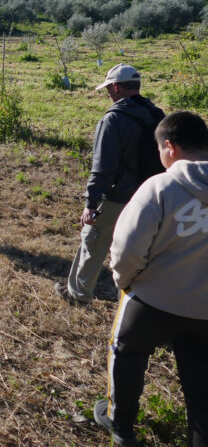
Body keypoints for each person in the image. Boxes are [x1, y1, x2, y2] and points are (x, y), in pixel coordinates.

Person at [91, 111, 208, 447]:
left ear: (169, 146)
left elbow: (127, 249)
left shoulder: (160, 186)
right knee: (202, 387)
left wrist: (126, 282)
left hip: (153, 300)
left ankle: (121, 426)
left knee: (126, 353)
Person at [55, 64, 165, 304]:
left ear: (116, 87)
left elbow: (102, 167)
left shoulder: (113, 119)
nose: (107, 93)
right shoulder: (158, 114)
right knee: (142, 248)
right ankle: (141, 299)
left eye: (108, 88)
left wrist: (91, 203)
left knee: (93, 242)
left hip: (117, 197)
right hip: (151, 196)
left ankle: (78, 294)